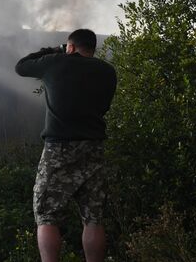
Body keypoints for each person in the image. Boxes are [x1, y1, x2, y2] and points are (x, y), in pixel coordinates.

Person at [15, 29, 117, 262]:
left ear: (70, 47)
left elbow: (22, 66)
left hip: (59, 147)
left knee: (47, 216)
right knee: (93, 217)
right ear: (93, 48)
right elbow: (104, 107)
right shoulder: (108, 71)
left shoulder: (56, 63)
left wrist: (55, 50)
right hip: (94, 147)